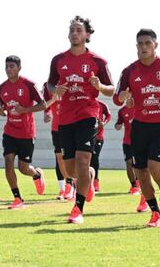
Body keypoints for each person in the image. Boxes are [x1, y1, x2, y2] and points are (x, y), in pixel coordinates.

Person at [114, 28, 160, 228]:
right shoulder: (129, 71)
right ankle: (155, 212)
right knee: (141, 172)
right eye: (140, 44)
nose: (144, 47)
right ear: (136, 46)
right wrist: (122, 97)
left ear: (155, 45)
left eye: (148, 43)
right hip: (139, 126)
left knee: (156, 166)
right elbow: (117, 96)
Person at [47, 16, 115, 224]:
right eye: (72, 30)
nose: (74, 33)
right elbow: (50, 84)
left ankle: (78, 208)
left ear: (87, 34)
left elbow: (112, 90)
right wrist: (55, 90)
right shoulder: (58, 60)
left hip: (87, 114)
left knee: (83, 161)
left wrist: (100, 87)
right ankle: (89, 176)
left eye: (78, 30)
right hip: (65, 116)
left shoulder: (98, 61)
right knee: (70, 169)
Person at [0, 55, 47, 209]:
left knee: (24, 168)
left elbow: (43, 104)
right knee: (8, 162)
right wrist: (2, 112)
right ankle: (17, 198)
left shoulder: (29, 85)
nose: (8, 69)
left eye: (12, 66)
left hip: (26, 132)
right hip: (10, 132)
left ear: (19, 68)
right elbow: (5, 109)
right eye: (6, 66)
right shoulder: (1, 88)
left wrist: (25, 110)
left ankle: (37, 175)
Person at [42, 82, 74, 200]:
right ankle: (66, 187)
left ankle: (75, 185)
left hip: (72, 126)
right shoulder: (48, 86)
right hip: (57, 127)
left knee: (72, 158)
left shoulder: (71, 80)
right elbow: (44, 105)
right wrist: (47, 113)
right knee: (59, 157)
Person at [114, 103, 140, 195]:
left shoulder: (140, 106)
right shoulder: (122, 111)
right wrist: (118, 126)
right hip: (127, 141)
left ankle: (138, 183)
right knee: (129, 163)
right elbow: (118, 124)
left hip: (140, 141)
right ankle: (133, 185)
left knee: (138, 164)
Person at [91, 100, 112, 192]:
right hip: (86, 136)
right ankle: (87, 182)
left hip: (98, 137)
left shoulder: (102, 104)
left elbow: (109, 115)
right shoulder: (84, 102)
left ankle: (96, 181)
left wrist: (103, 123)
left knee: (94, 157)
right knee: (85, 159)